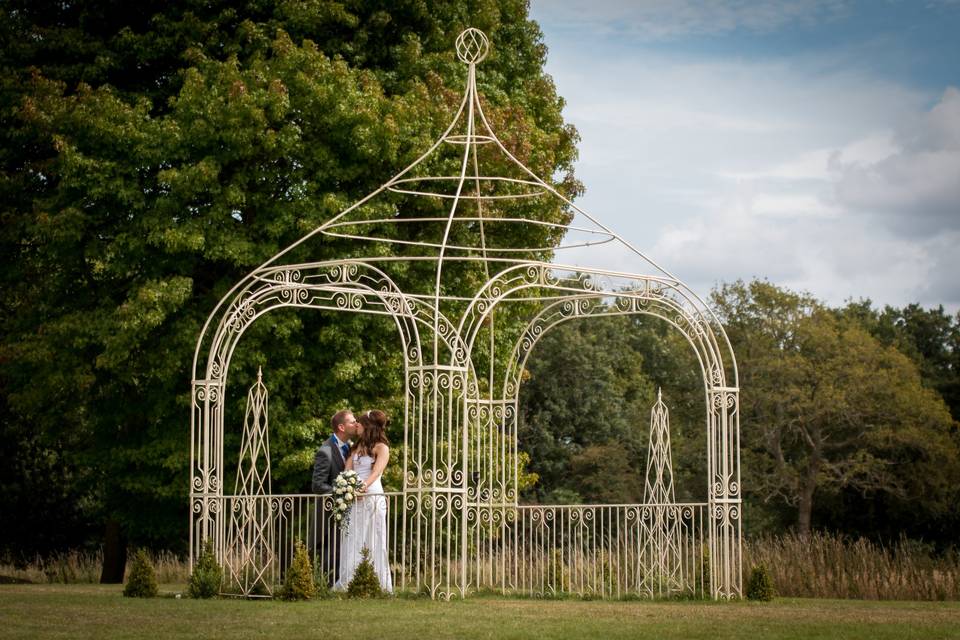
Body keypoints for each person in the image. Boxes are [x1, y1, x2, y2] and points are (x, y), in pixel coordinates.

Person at [334, 409, 393, 592]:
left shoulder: (381, 448)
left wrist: (362, 487)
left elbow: (376, 472)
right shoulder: (355, 448)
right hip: (355, 498)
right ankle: (349, 582)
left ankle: (379, 584)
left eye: (359, 423)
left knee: (374, 538)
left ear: (367, 426)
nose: (356, 425)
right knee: (353, 537)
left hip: (372, 495)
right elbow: (347, 471)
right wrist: (348, 488)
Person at [312, 409, 358, 585]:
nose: (356, 424)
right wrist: (341, 493)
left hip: (352, 510)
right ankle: (328, 586)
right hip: (331, 511)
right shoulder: (326, 450)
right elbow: (317, 485)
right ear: (341, 427)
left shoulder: (353, 447)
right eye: (352, 421)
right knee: (332, 551)